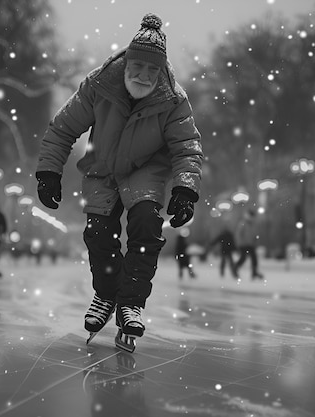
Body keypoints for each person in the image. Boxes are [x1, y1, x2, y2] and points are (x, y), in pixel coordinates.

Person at [35, 13, 203, 352]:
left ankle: (131, 302)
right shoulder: (99, 85)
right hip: (103, 169)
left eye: (152, 71)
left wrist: (186, 188)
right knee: (98, 235)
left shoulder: (173, 99)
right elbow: (63, 129)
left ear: (161, 71)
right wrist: (49, 171)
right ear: (127, 62)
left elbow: (187, 147)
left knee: (145, 225)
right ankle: (106, 293)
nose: (144, 76)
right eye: (138, 67)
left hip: (145, 171)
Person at [235, 208, 264, 280]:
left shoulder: (252, 224)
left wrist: (255, 240)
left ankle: (254, 272)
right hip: (243, 244)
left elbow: (254, 234)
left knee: (254, 258)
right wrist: (240, 243)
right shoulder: (243, 223)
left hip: (250, 244)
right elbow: (239, 234)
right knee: (243, 258)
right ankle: (235, 268)